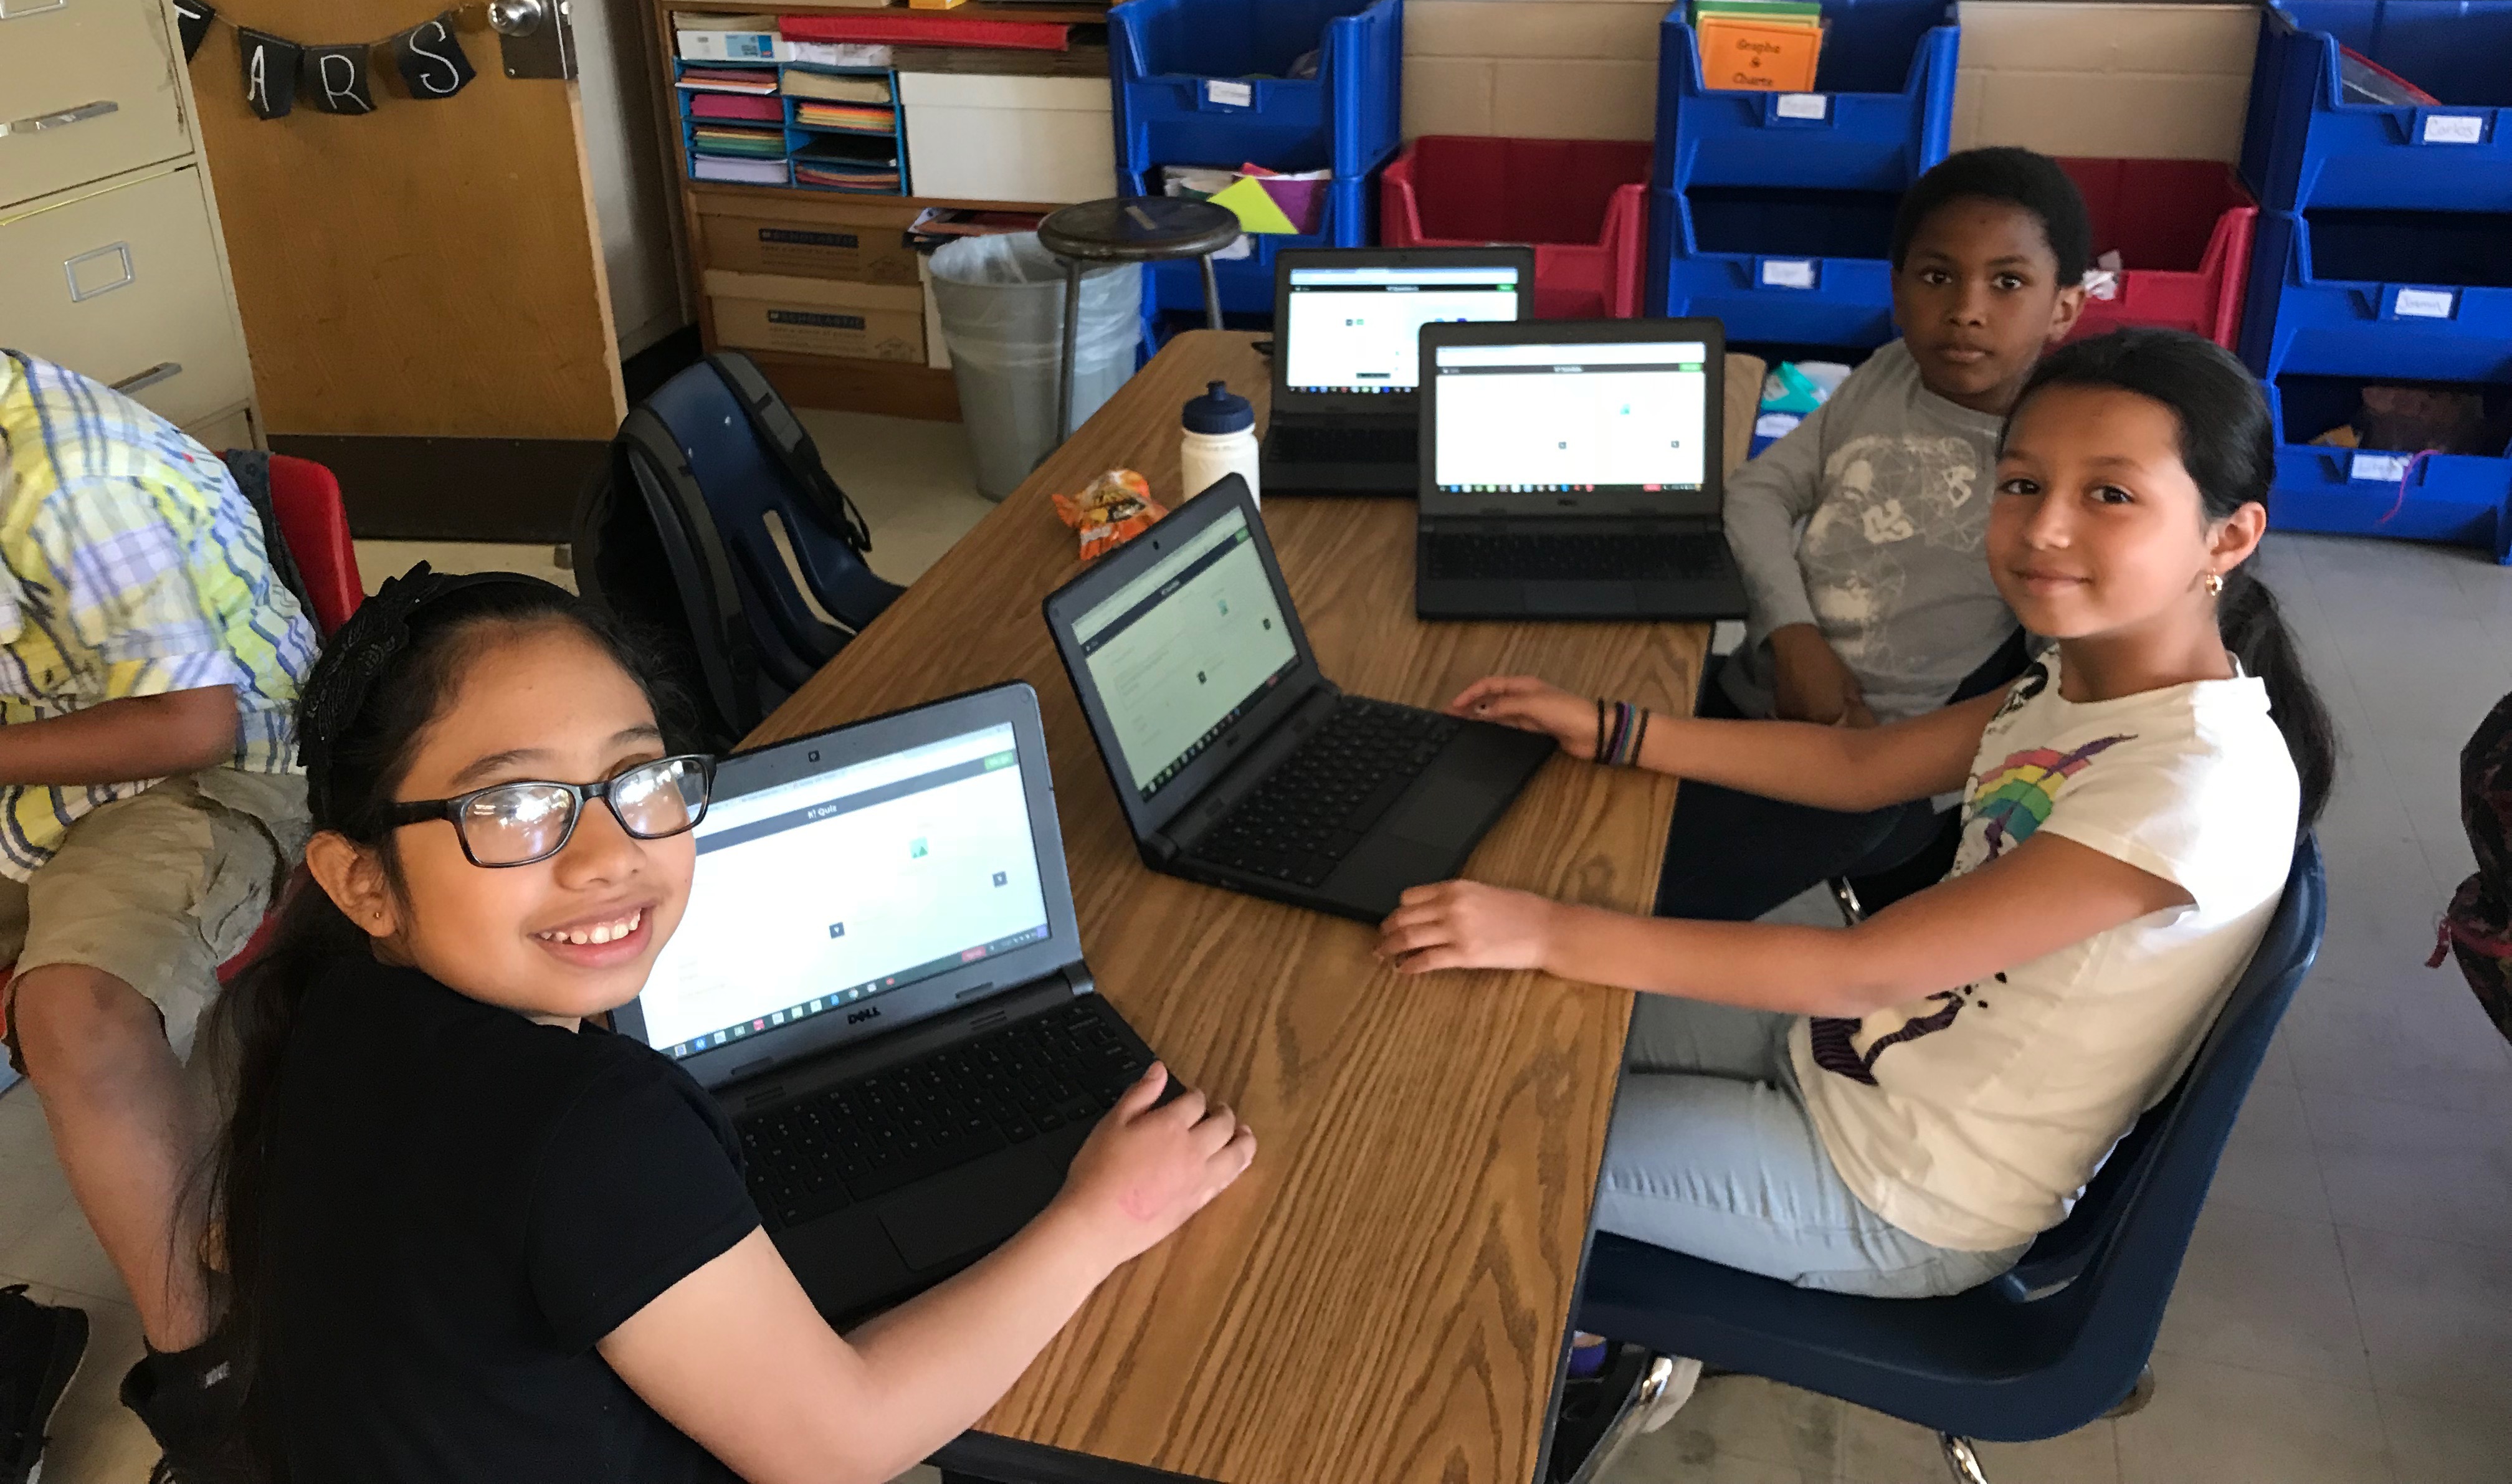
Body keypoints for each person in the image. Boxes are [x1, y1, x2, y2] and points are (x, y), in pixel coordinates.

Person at [203, 568, 1254, 1482]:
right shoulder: (591, 1123)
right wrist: (1102, 1217)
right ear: (361, 878)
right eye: (514, 806)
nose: (607, 853)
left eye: (640, 777)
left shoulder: (324, 1010)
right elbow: (844, 1447)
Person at [1378, 328, 2333, 1304]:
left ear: (2228, 536)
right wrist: (1615, 729)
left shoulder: (2191, 785)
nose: (2045, 528)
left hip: (1899, 1191)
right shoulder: (2084, 675)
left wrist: (1544, 926)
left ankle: (1575, 1347)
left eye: (2111, 495)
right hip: (1849, 1056)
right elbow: (1863, 763)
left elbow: (1857, 969)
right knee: (1488, 1028)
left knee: (1473, 1143)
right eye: (2021, 484)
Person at [0, 351, 316, 1477]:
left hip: (209, 768)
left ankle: (215, 1384)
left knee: (78, 1013)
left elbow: (192, 725)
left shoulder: (61, 480)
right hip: (52, 761)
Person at [1662, 147, 2092, 922]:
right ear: (1896, 288)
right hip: (1762, 688)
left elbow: (2061, 676)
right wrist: (1793, 638)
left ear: (2064, 308)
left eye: (2007, 283)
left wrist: (1858, 730)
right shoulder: (1891, 372)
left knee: (1626, 894)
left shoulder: (2056, 459)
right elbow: (1758, 492)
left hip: (1871, 767)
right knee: (1568, 772)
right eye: (1936, 277)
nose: (1965, 309)